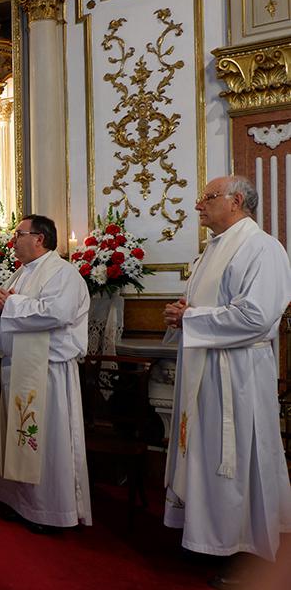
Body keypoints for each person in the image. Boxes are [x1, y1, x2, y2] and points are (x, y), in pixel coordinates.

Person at [162, 176, 291, 584]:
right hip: (205, 371)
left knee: (233, 459)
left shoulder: (262, 247)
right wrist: (183, 313)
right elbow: (208, 308)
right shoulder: (211, 250)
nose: (199, 205)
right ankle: (206, 538)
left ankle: (240, 547)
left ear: (236, 201)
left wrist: (191, 318)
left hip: (236, 377)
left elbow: (257, 316)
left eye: (208, 198)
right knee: (203, 452)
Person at [0, 214, 91, 533]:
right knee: (23, 441)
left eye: (19, 234)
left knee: (49, 443)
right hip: (22, 370)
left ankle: (52, 511)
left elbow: (58, 313)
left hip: (48, 372)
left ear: (39, 238)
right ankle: (23, 502)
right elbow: (6, 308)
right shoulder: (22, 272)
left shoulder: (62, 273)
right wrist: (0, 307)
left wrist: (10, 306)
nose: (13, 240)